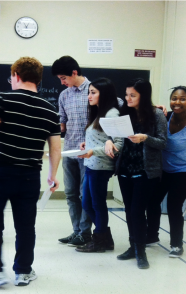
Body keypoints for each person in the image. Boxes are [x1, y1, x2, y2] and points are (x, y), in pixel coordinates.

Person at [0, 57, 61, 287]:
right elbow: (55, 149)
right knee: (25, 226)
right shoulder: (50, 108)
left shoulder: (3, 99)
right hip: (29, 176)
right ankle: (23, 271)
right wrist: (52, 176)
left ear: (17, 76)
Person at [105, 79, 167, 269]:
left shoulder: (157, 115)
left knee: (138, 211)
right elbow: (114, 135)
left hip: (145, 170)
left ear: (144, 96)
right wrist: (109, 141)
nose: (128, 98)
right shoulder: (125, 112)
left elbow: (163, 142)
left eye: (133, 95)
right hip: (125, 169)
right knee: (129, 211)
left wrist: (145, 138)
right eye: (126, 95)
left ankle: (141, 251)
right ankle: (133, 246)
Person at [146, 86, 186, 257]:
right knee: (152, 201)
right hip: (164, 169)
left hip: (185, 171)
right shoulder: (165, 117)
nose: (177, 102)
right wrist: (155, 108)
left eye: (182, 99)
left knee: (174, 206)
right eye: (174, 98)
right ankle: (151, 235)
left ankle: (176, 244)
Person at [73, 78, 123, 253]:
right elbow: (102, 139)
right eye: (89, 92)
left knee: (97, 204)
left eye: (93, 92)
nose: (89, 96)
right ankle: (104, 238)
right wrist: (88, 146)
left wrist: (94, 151)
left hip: (101, 166)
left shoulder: (111, 114)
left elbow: (118, 145)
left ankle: (101, 239)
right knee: (87, 204)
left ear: (105, 94)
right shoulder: (99, 113)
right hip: (92, 165)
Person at [51, 56, 93, 247]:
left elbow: (119, 107)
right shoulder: (64, 95)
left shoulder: (95, 91)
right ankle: (76, 231)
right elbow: (62, 125)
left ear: (74, 73)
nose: (62, 82)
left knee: (86, 194)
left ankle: (85, 233)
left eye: (63, 78)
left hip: (88, 153)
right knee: (70, 193)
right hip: (69, 151)